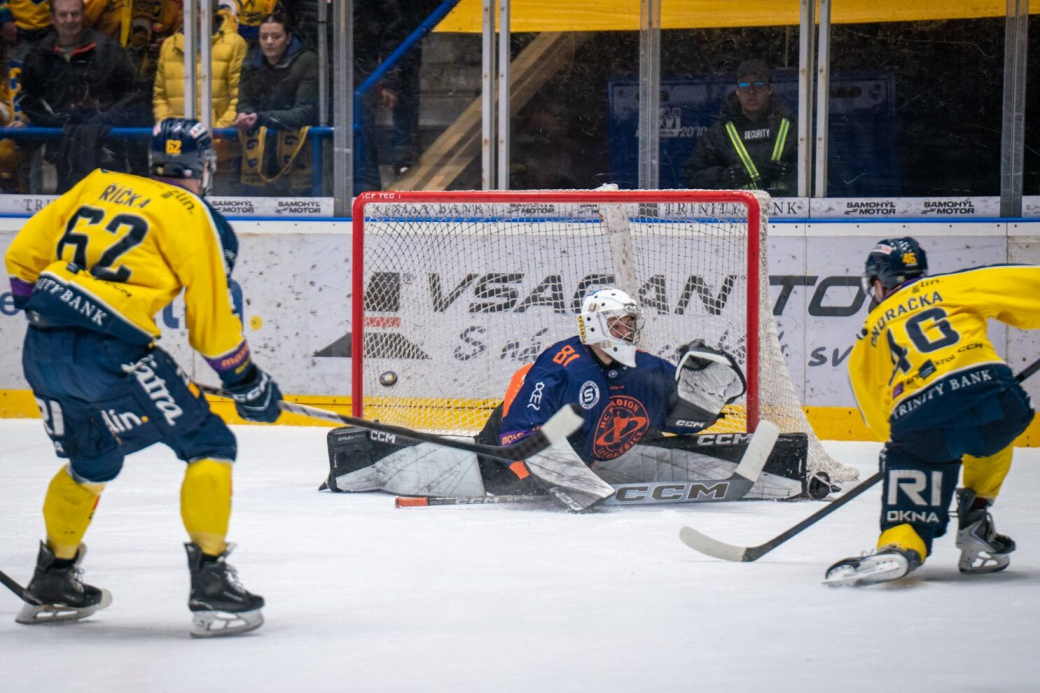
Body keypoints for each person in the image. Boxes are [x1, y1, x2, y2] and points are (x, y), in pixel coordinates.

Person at [3, 118, 283, 637]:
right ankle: (212, 585)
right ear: (205, 166)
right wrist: (245, 381)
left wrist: (51, 317)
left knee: (93, 461)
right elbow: (213, 326)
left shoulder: (96, 183)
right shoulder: (196, 213)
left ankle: (54, 580)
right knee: (208, 442)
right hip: (112, 349)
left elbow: (21, 260)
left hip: (41, 346)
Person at [326, 287, 753, 510]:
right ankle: (360, 456)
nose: (629, 331)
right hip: (500, 460)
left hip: (585, 456)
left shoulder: (646, 368)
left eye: (630, 324)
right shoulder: (563, 364)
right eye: (620, 324)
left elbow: (675, 420)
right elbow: (519, 433)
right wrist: (550, 474)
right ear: (597, 325)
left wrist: (704, 406)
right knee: (425, 467)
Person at [825, 238, 1039, 587]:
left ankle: (899, 544)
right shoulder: (953, 284)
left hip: (920, 419)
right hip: (996, 399)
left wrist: (904, 455)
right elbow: (1030, 286)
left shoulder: (871, 330)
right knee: (990, 430)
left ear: (878, 283)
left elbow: (876, 410)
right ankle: (975, 520)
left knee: (914, 489)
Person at [19, 0, 145, 191]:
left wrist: (105, 120)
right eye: (63, 15)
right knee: (68, 207)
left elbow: (135, 93)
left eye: (75, 14)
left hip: (107, 146)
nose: (70, 20)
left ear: (83, 16)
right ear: (53, 18)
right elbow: (28, 99)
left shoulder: (107, 49)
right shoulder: (39, 54)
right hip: (61, 148)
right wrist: (52, 123)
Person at [153, 7, 247, 195]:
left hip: (220, 154)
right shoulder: (169, 45)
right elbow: (160, 95)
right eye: (189, 8)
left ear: (210, 9)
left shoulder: (235, 43)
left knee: (219, 209)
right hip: (177, 153)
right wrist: (170, 131)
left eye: (199, 8)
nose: (194, 14)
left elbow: (238, 98)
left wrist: (215, 133)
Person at [234, 12, 317, 195]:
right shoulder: (250, 62)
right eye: (264, 37)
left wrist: (260, 118)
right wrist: (245, 113)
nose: (269, 42)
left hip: (300, 150)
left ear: (288, 38)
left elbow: (305, 112)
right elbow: (244, 101)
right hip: (262, 148)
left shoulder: (307, 61)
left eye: (276, 36)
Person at [686, 59, 795, 196]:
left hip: (787, 212)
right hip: (736, 213)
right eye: (744, 85)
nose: (751, 92)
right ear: (737, 91)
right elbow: (693, 177)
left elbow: (823, 175)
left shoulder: (791, 129)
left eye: (758, 85)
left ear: (769, 89)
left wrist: (792, 174)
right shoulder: (719, 133)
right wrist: (724, 177)